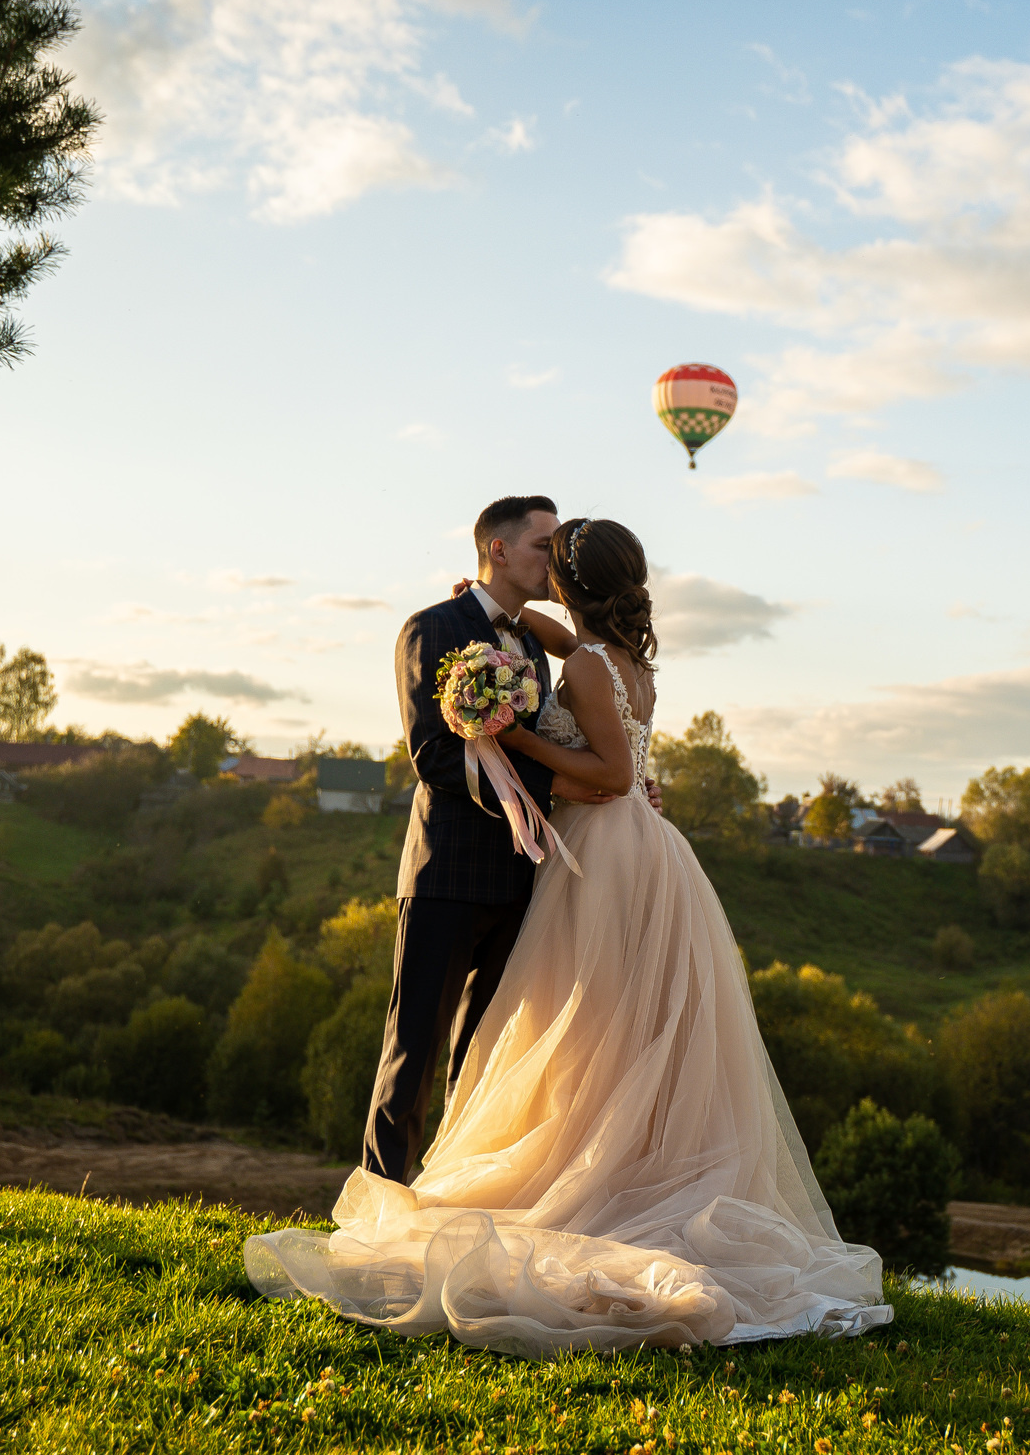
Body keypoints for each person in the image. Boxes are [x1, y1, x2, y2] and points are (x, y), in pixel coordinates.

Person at [248, 515, 892, 1355]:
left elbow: (615, 773)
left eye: (558, 554)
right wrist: (505, 630)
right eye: (539, 544)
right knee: (609, 1037)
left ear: (571, 581)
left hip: (603, 853)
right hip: (629, 854)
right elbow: (556, 650)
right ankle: (615, 1167)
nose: (546, 561)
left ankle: (585, 1181)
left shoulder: (586, 663)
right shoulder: (611, 653)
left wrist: (508, 729)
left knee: (578, 1031)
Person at [359, 495, 620, 1185]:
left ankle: (449, 1199)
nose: (553, 560)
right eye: (542, 545)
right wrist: (553, 789)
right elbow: (434, 756)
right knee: (412, 1050)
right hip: (446, 874)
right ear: (498, 549)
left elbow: (563, 740)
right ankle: (380, 1201)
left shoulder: (532, 643)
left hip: (521, 881)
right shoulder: (432, 626)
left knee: (485, 1059)